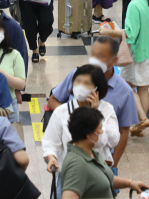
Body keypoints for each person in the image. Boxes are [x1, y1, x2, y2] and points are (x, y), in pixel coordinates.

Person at [48, 36, 138, 172]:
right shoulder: (77, 75)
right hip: (69, 162)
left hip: (100, 163)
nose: (95, 60)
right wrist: (68, 115)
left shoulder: (124, 92)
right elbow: (53, 100)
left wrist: (113, 167)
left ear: (114, 60)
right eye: (93, 54)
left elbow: (123, 132)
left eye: (100, 56)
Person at [101, 0, 149, 137]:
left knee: (126, 87)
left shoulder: (134, 5)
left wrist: (109, 32)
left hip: (140, 55)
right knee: (143, 89)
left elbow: (131, 33)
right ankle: (139, 125)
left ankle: (141, 120)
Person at [43, 65, 120, 194]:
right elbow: (50, 142)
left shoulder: (107, 109)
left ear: (97, 87)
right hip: (71, 174)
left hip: (99, 173)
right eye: (77, 81)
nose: (80, 86)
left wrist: (96, 113)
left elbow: (112, 140)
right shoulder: (61, 111)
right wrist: (51, 158)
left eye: (86, 83)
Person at [60, 106, 148, 199]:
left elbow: (103, 178)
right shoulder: (77, 164)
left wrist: (130, 183)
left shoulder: (90, 153)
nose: (102, 132)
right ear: (88, 134)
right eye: (100, 128)